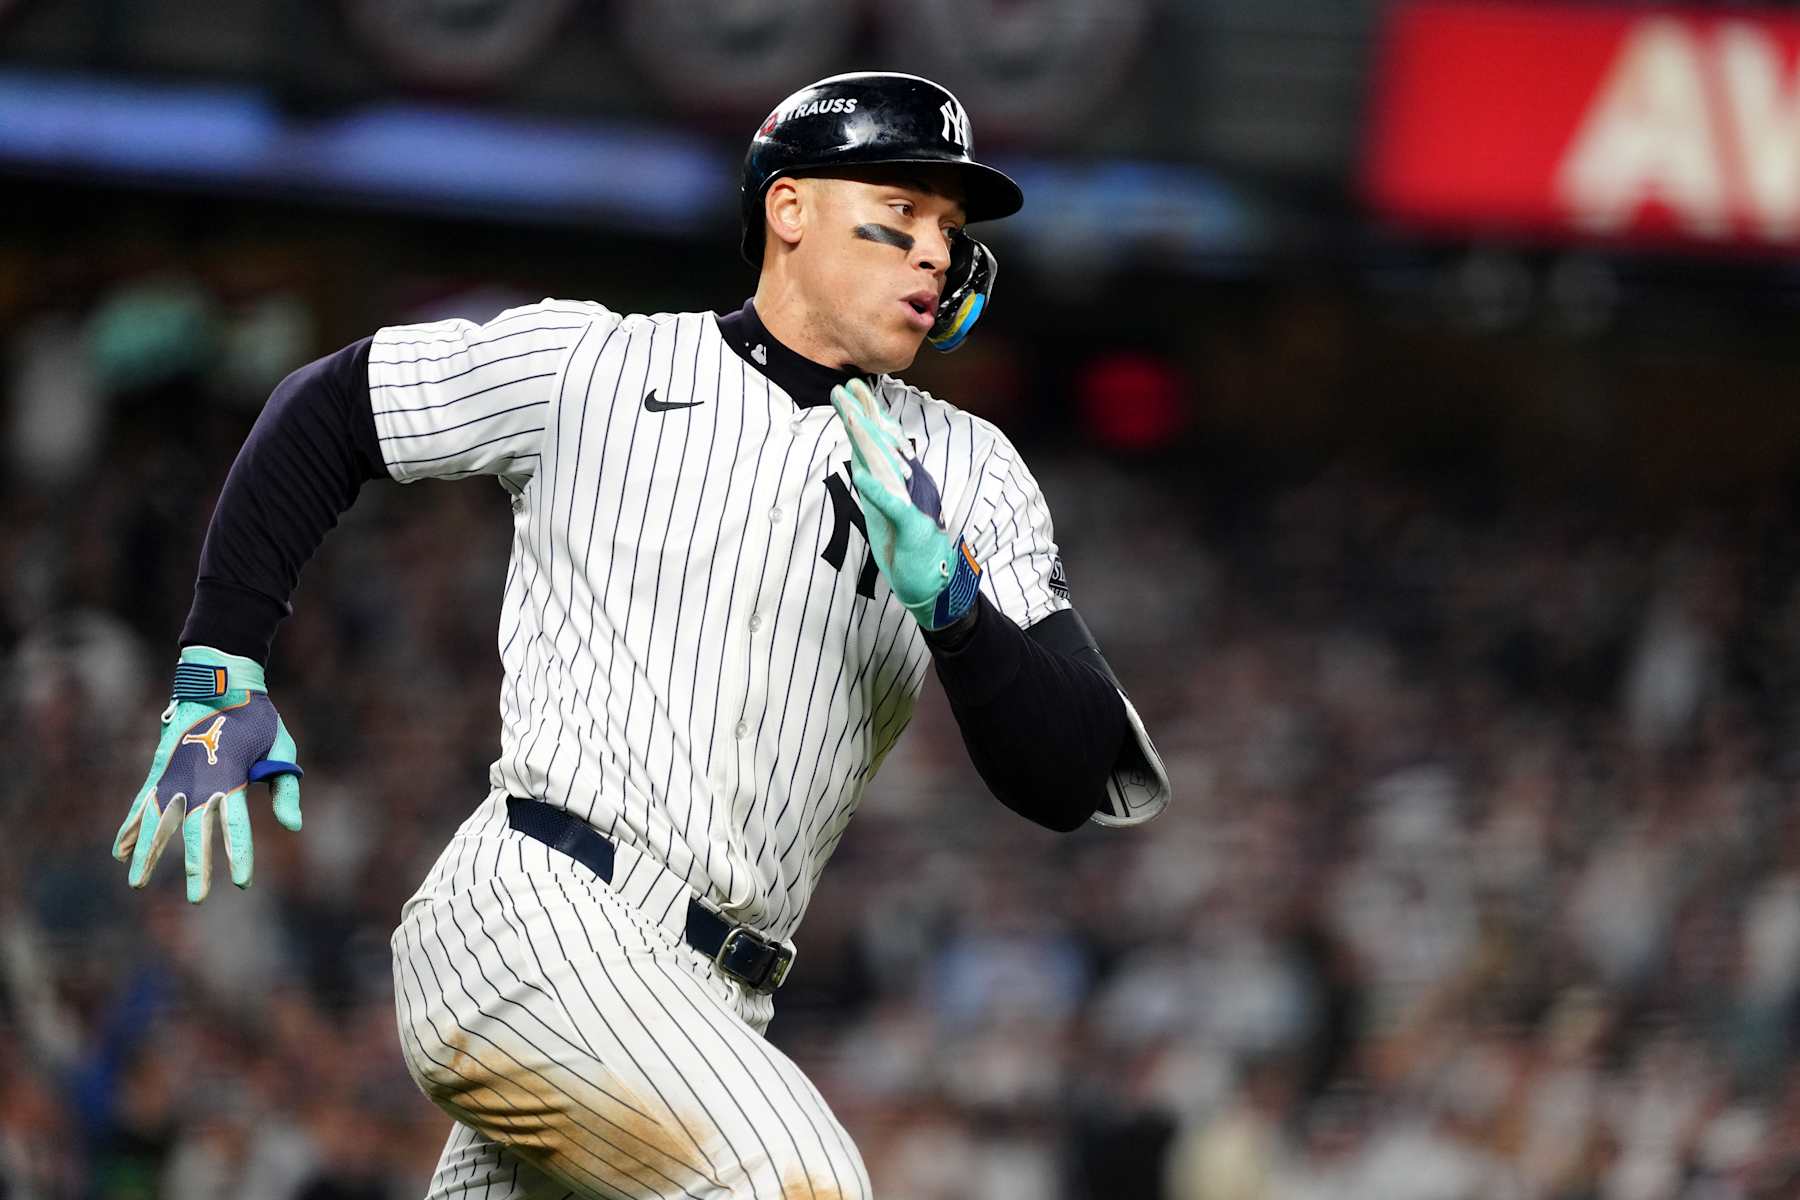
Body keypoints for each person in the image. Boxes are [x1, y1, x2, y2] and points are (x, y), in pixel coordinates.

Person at [112, 71, 1171, 1199]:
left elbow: (1070, 767)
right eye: (903, 211)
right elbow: (332, 406)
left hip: (714, 1002)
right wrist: (224, 655)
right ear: (791, 207)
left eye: (951, 231)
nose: (934, 254)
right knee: (793, 1184)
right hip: (537, 917)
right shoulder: (597, 366)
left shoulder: (973, 476)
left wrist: (955, 610)